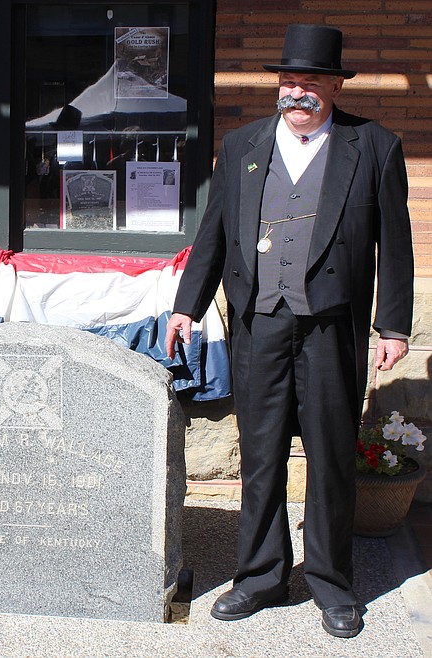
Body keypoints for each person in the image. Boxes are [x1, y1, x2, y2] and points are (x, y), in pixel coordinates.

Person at [165, 23, 413, 639]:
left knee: (330, 456)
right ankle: (260, 576)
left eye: (311, 82)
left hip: (333, 327)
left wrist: (393, 325)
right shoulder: (242, 145)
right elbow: (213, 233)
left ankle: (332, 583)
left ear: (335, 86)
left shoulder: (374, 145)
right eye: (288, 80)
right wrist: (187, 306)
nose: (297, 92)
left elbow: (396, 244)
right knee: (261, 454)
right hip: (259, 323)